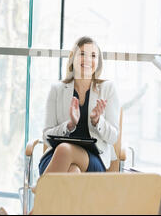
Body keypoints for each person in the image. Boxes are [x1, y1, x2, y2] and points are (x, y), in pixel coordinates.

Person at [39, 36, 120, 175]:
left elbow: (113, 138)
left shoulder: (108, 89)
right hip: (55, 158)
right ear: (72, 58)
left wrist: (97, 121)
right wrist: (69, 125)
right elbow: (46, 136)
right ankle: (46, 193)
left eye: (93, 56)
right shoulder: (57, 89)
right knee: (73, 171)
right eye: (82, 54)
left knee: (65, 149)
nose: (88, 59)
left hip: (93, 158)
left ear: (98, 62)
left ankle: (42, 192)